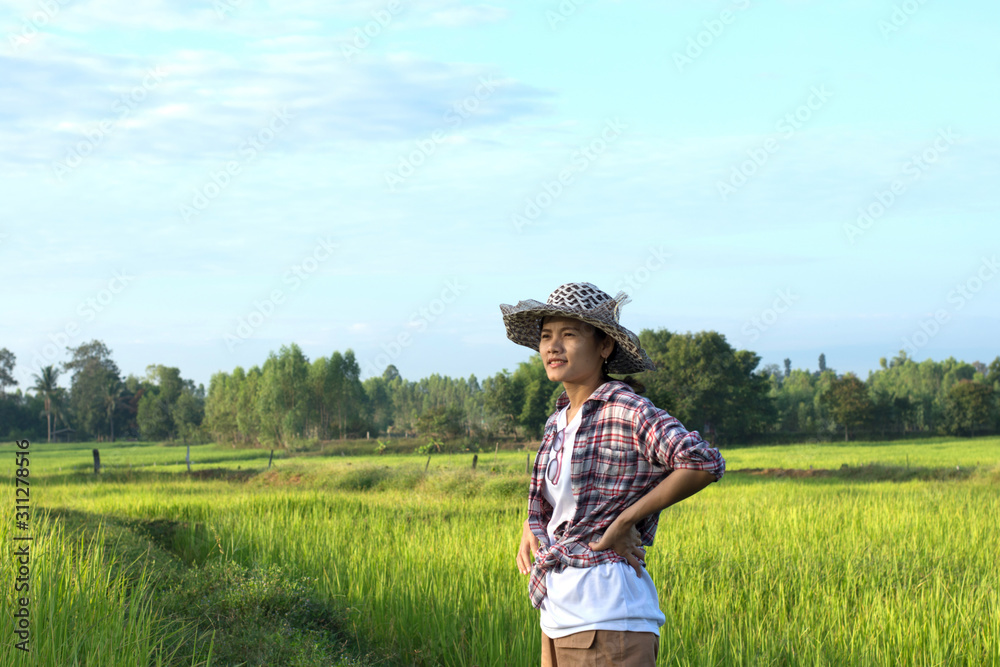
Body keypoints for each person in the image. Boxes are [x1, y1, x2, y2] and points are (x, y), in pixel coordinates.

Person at [499, 282, 726, 666]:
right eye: (546, 336)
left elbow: (701, 461)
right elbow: (565, 497)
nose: (553, 346)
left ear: (604, 346)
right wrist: (535, 522)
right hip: (559, 616)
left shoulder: (625, 408)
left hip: (608, 615)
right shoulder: (559, 420)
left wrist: (626, 520)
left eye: (569, 334)